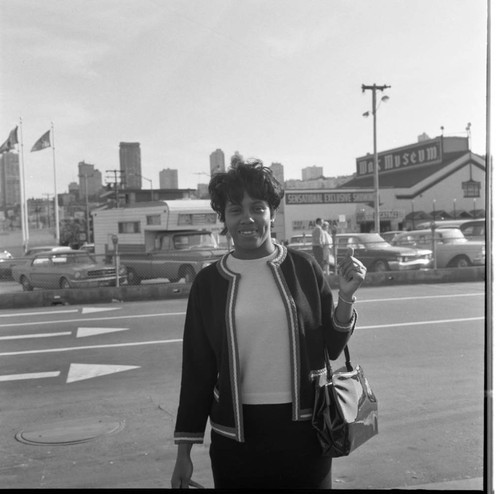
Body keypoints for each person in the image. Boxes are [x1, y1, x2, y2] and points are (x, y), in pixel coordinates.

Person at [170, 158, 366, 489]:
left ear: (271, 213)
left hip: (307, 431)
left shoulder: (304, 268)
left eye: (257, 208)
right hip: (235, 436)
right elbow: (197, 372)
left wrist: (346, 297)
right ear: (224, 219)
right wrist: (183, 454)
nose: (247, 218)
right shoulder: (208, 283)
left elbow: (332, 347)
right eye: (235, 210)